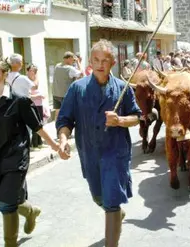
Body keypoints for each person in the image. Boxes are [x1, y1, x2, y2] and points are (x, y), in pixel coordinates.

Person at [56, 39, 141, 247]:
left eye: (105, 60)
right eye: (96, 59)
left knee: (111, 201)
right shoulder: (77, 88)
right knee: (99, 197)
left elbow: (137, 117)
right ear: (90, 62)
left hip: (115, 152)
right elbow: (65, 119)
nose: (100, 64)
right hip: (90, 154)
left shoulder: (123, 88)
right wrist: (63, 139)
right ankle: (115, 213)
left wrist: (120, 121)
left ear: (113, 62)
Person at [0, 50, 59, 246]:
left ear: (5, 75)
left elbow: (37, 126)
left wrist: (55, 146)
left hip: (14, 157)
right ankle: (31, 211)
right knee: (8, 199)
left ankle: (10, 243)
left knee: (6, 202)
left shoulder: (18, 100)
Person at [52, 51, 83, 121]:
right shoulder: (69, 69)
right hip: (65, 95)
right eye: (72, 59)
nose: (73, 61)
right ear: (69, 58)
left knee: (57, 113)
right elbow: (82, 74)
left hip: (56, 94)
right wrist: (78, 62)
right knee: (67, 114)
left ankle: (57, 129)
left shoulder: (57, 66)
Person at [27, 64, 46, 149]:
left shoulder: (36, 80)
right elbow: (28, 96)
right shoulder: (27, 81)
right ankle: (34, 145)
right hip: (32, 105)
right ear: (27, 71)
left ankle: (39, 143)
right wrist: (38, 96)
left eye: (34, 71)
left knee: (40, 123)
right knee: (35, 124)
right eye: (31, 70)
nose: (33, 72)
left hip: (39, 104)